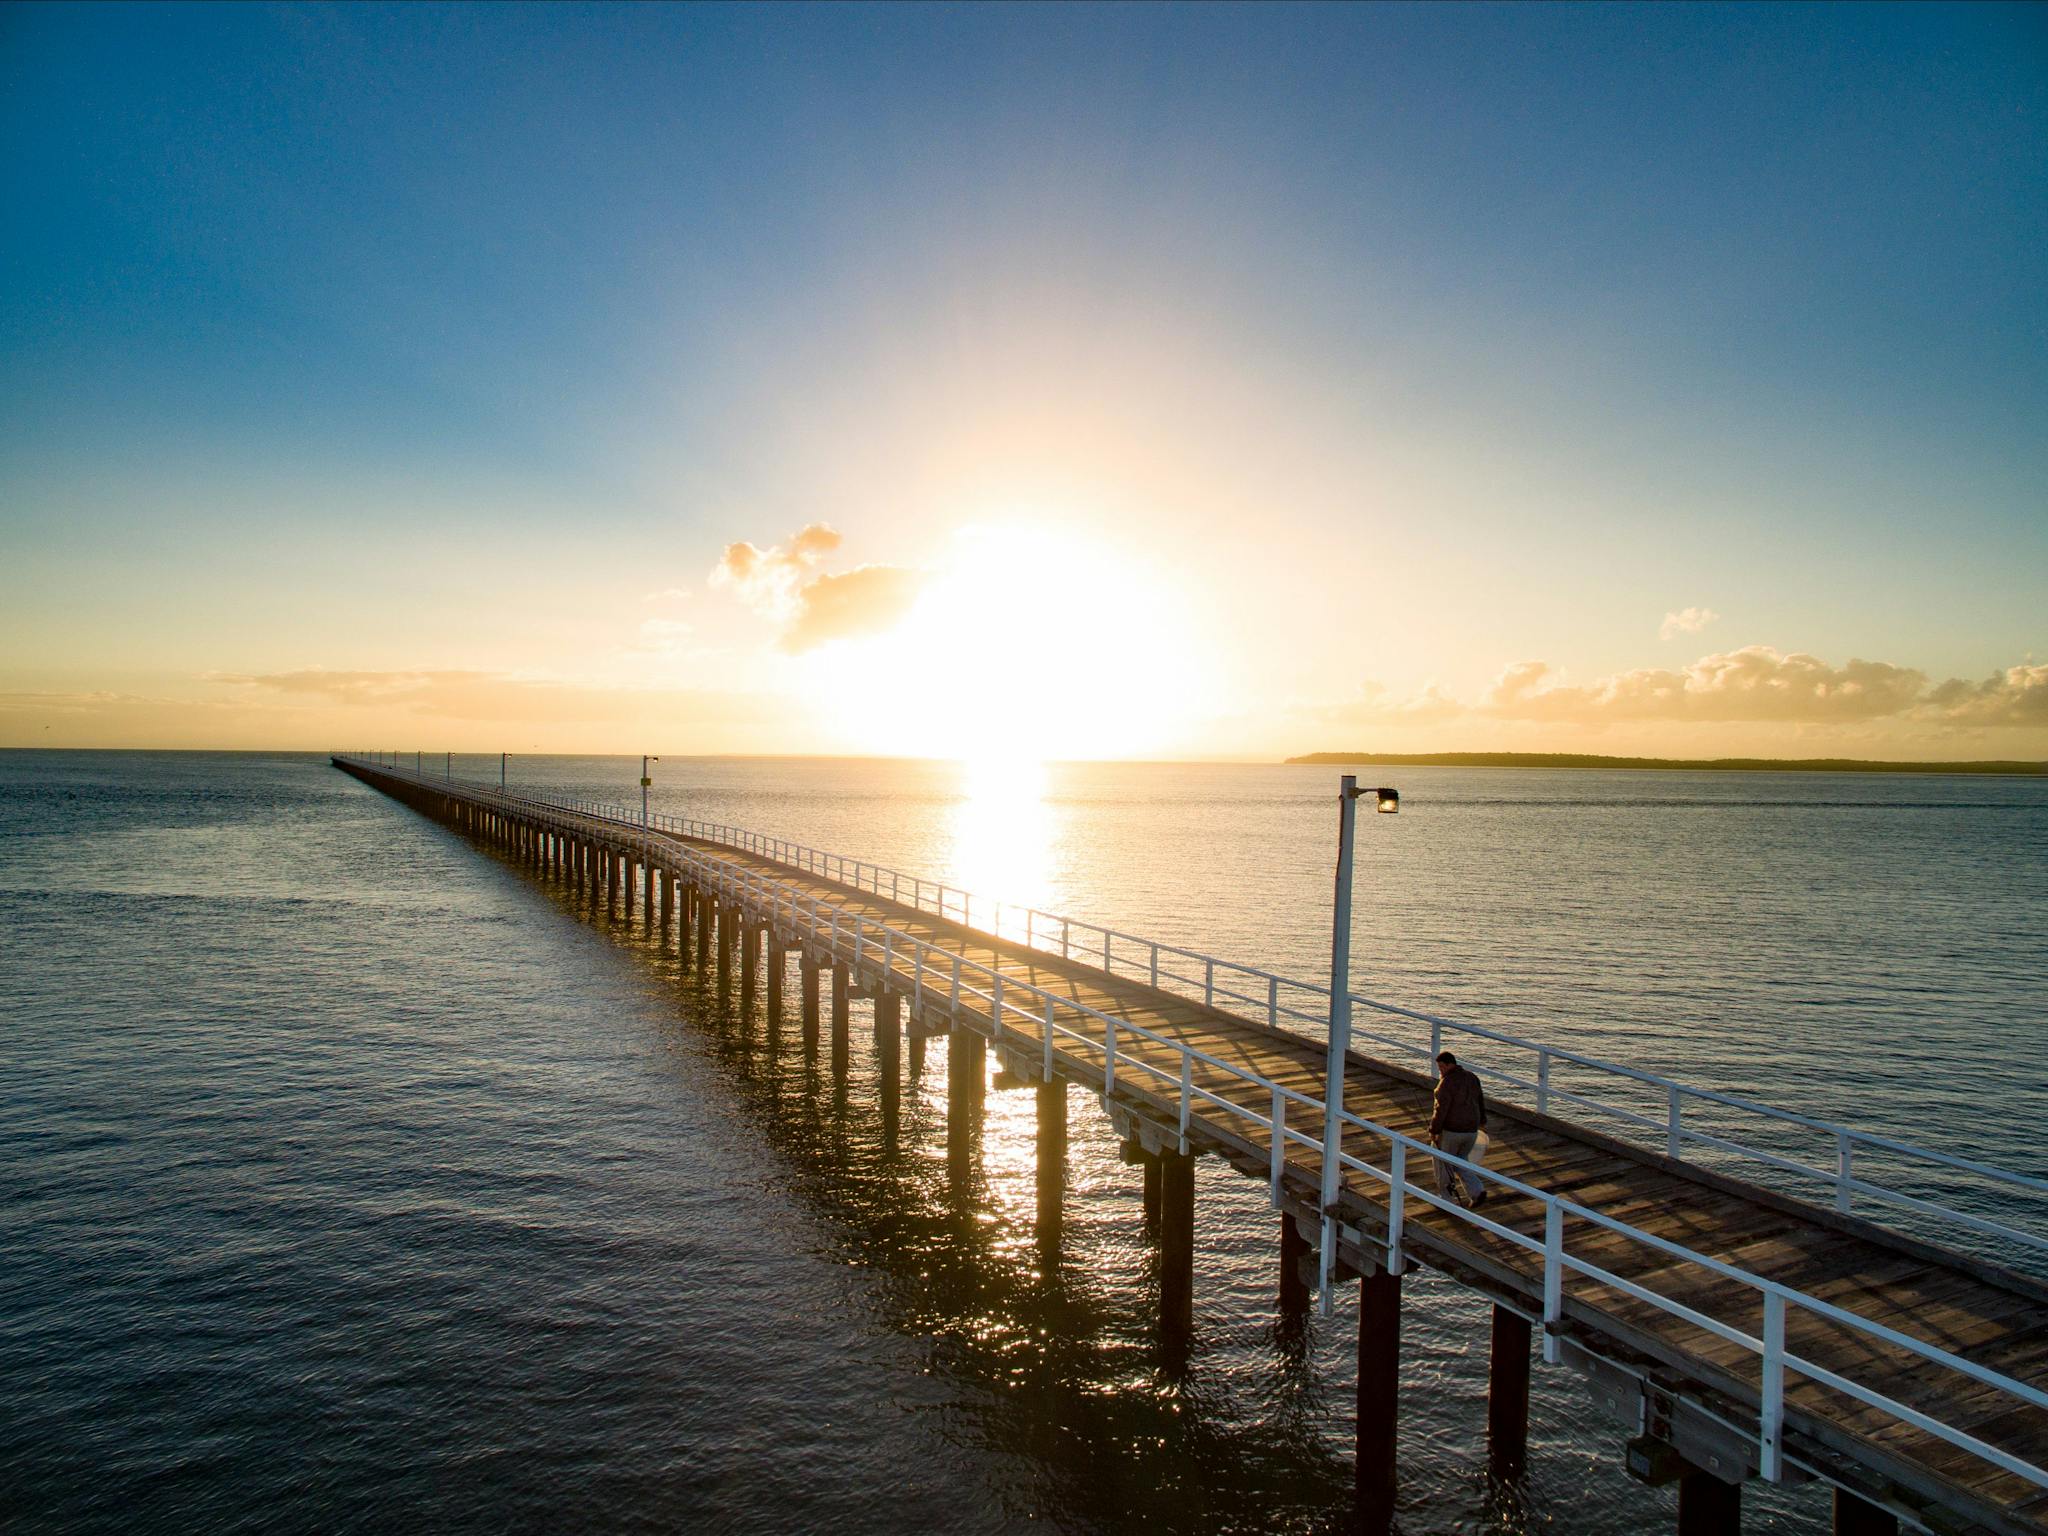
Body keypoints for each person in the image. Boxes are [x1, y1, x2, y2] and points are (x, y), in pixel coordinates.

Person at [1430, 1050, 1489, 1209]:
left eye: (1442, 1067)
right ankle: (1477, 1191)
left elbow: (1441, 1109)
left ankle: (1446, 1199)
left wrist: (1434, 1130)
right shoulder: (1472, 1078)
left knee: (1443, 1163)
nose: (1440, 1071)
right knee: (1461, 1160)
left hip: (1452, 1131)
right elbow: (1480, 1101)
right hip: (1471, 1131)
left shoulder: (1446, 1083)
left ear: (1450, 1064)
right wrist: (1482, 1121)